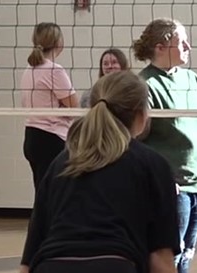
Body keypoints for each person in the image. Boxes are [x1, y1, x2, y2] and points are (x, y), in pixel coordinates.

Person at [19, 70, 180, 273]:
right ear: (142, 115)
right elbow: (160, 260)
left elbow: (28, 260)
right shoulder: (153, 164)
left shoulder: (61, 163)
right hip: (114, 266)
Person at [134, 18, 197, 273]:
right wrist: (159, 180)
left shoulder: (193, 79)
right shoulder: (144, 85)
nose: (188, 47)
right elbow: (136, 139)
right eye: (182, 42)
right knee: (169, 256)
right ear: (160, 47)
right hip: (172, 187)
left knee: (187, 254)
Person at [20, 22, 78, 189]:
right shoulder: (54, 70)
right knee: (56, 193)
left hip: (32, 136)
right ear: (59, 42)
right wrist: (63, 108)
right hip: (51, 138)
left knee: (42, 192)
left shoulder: (29, 69)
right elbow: (75, 107)